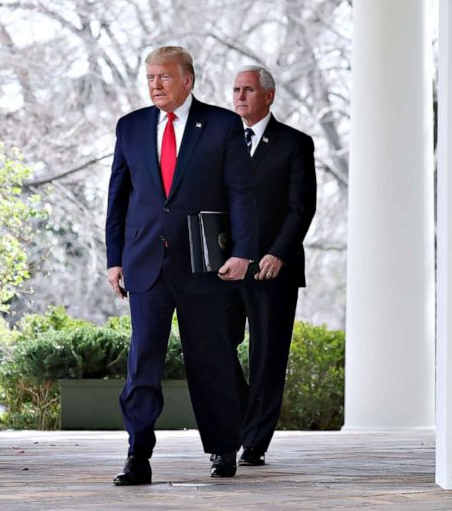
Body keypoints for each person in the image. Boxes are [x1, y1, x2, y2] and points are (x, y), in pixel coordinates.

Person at [105, 46, 258, 485]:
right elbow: (118, 197)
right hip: (145, 264)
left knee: (211, 359)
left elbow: (240, 194)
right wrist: (114, 259)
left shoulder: (223, 125)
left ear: (187, 80)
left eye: (164, 77)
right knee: (143, 361)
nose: (155, 85)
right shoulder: (131, 127)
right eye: (150, 77)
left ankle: (223, 448)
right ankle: (138, 455)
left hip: (205, 265)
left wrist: (242, 252)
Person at [228, 65, 317, 466]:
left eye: (248, 90)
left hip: (272, 268)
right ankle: (245, 414)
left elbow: (302, 208)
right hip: (226, 267)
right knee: (212, 344)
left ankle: (255, 443)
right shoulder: (223, 141)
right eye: (235, 90)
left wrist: (278, 253)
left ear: (269, 95)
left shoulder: (295, 144)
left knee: (268, 355)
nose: (240, 97)